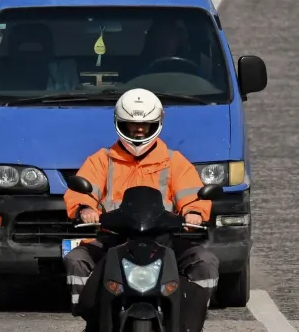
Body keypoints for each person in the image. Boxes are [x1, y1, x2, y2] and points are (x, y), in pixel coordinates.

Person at [62, 88, 219, 332]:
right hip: (113, 239)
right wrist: (85, 208)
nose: (138, 130)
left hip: (165, 240)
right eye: (131, 125)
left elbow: (191, 192)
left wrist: (194, 212)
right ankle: (92, 315)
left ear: (156, 123)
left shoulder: (173, 160)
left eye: (145, 125)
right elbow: (82, 190)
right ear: (119, 124)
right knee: (76, 259)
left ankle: (190, 318)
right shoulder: (103, 159)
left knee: (205, 261)